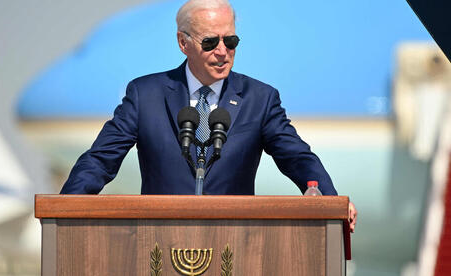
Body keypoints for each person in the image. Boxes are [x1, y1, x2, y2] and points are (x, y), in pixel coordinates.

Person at [60, 0, 357, 231]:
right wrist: (63, 212)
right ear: (183, 42)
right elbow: (100, 160)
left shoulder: (260, 99)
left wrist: (332, 202)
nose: (222, 51)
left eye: (231, 41)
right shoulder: (145, 95)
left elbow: (297, 158)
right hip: (158, 242)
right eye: (210, 42)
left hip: (236, 242)